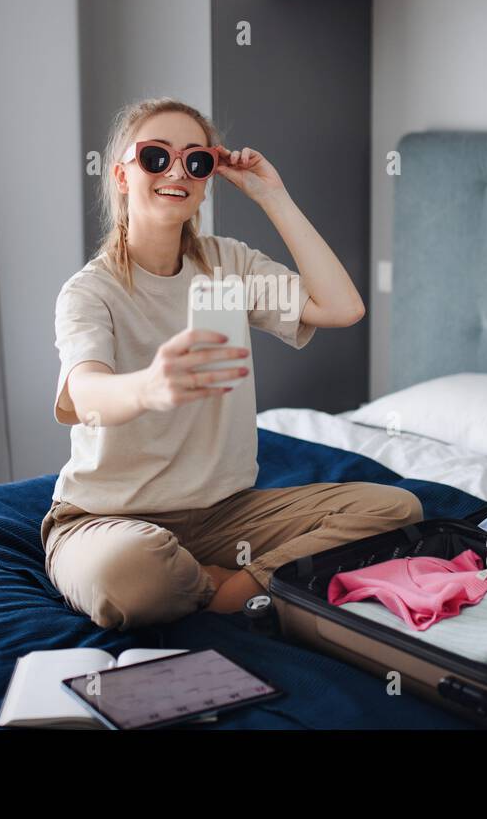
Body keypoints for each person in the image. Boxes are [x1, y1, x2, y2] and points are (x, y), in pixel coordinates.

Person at [43, 97, 422, 629]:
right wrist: (150, 387)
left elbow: (342, 307)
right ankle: (214, 582)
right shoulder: (89, 292)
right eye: (156, 156)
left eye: (195, 161)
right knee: (125, 574)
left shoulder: (228, 264)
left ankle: (235, 588)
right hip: (109, 517)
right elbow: (86, 393)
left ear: (207, 178)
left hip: (223, 514)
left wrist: (274, 197)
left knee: (396, 509)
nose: (177, 171)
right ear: (122, 174)